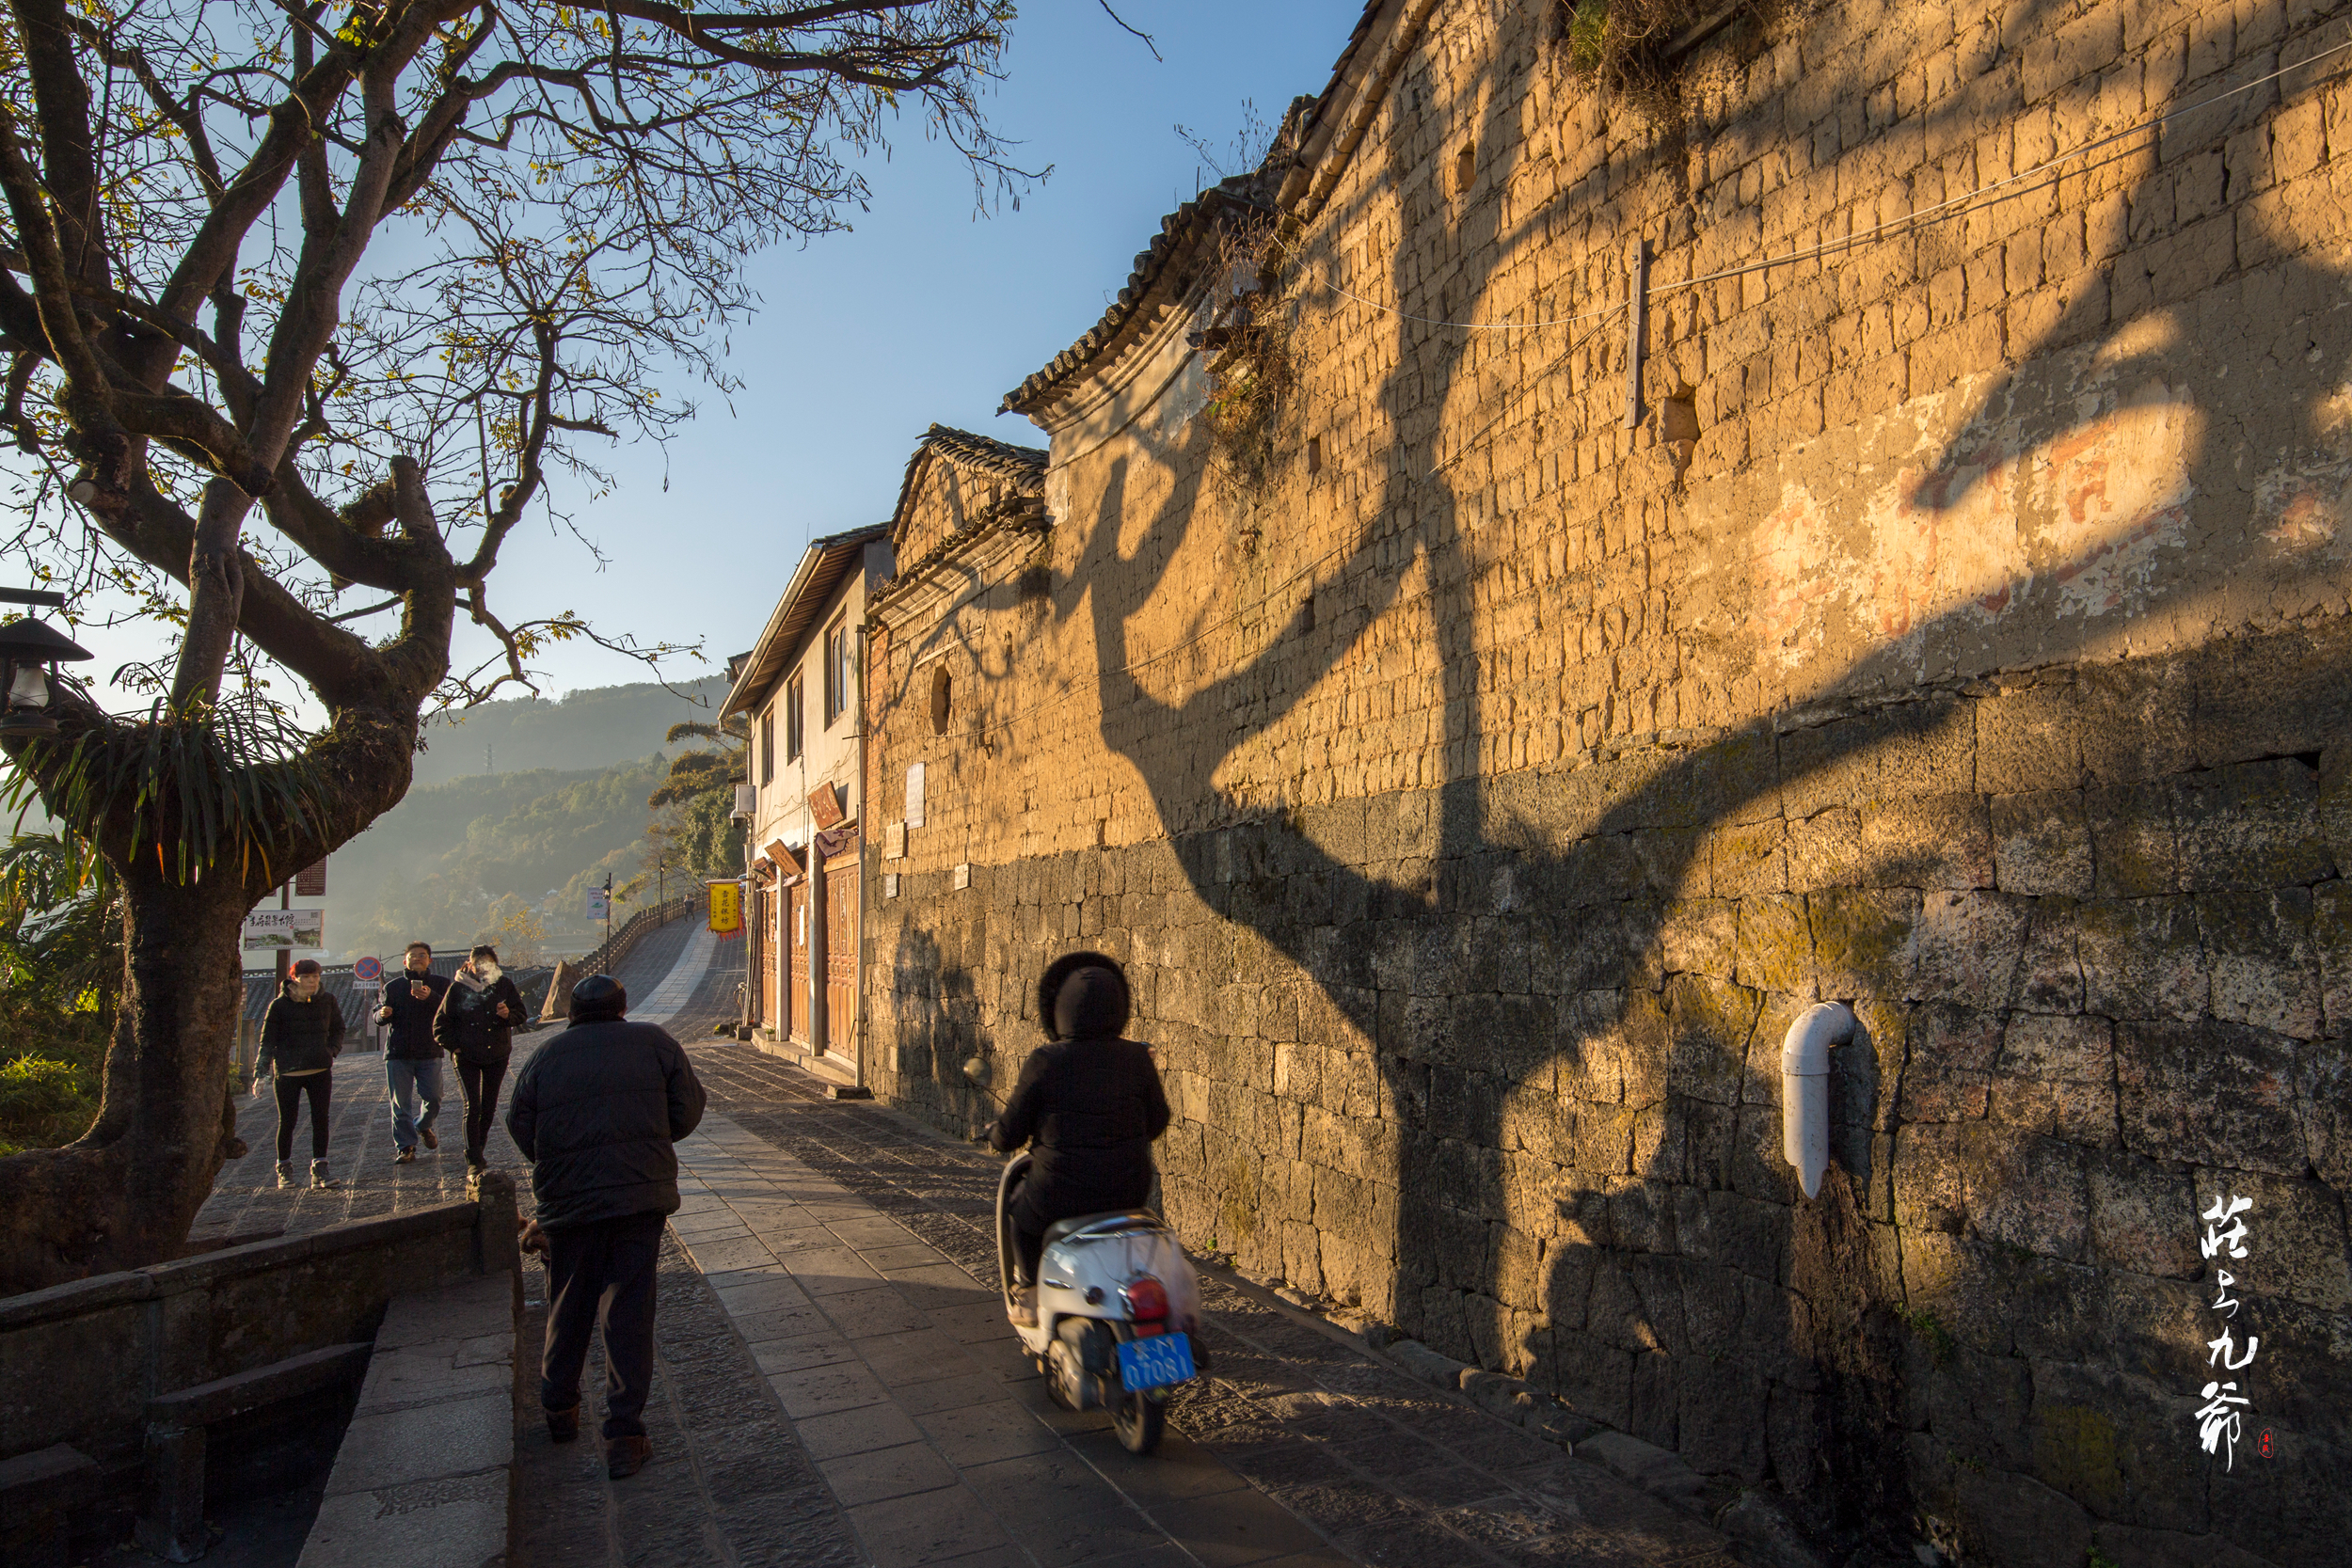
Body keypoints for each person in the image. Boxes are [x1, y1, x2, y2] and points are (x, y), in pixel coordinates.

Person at [507, 974, 706, 1480]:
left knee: (568, 1298)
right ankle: (623, 1434)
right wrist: (650, 1137)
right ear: (622, 1006)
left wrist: (558, 1161)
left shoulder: (545, 1056)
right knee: (629, 1308)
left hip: (568, 1202)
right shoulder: (654, 1042)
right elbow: (687, 1110)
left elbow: (520, 1124)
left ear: (573, 1011)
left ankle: (559, 1409)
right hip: (639, 1196)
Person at [989, 952, 1169, 1326]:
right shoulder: (1137, 1059)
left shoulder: (1045, 1060)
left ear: (1061, 1010)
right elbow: (1158, 1121)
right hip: (1127, 1190)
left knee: (1020, 1221)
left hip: (1056, 1195)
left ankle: (1031, 1290)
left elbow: (1008, 1136)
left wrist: (995, 1132)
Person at [434, 942, 526, 1192]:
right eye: (479, 963)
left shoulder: (503, 985)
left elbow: (521, 1015)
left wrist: (508, 1015)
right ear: (470, 965)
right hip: (467, 1057)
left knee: (489, 1106)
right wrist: (457, 1047)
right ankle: (473, 1161)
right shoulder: (458, 988)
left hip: (497, 1054)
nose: (484, 968)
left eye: (489, 963)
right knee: (472, 1106)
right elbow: (440, 1026)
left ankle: (479, 1151)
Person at [253, 957, 346, 1190]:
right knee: (287, 1121)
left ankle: (320, 1168)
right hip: (288, 1071)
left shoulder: (327, 1000)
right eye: (307, 977)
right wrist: (261, 1074)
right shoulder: (279, 1005)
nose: (312, 981)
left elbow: (338, 1028)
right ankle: (284, 1168)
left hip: (319, 1068)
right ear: (295, 978)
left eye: (315, 976)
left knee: (321, 1119)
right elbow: (267, 1041)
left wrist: (331, 1051)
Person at [376, 942, 449, 1164]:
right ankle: (406, 1147)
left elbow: (452, 1011)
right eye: (413, 955)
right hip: (398, 1053)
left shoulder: (442, 984)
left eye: (422, 955)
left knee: (434, 1097)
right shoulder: (392, 987)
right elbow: (377, 1016)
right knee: (401, 1104)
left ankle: (423, 1125)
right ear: (404, 960)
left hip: (430, 1050)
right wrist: (383, 1014)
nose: (417, 958)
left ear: (429, 960)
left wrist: (432, 998)